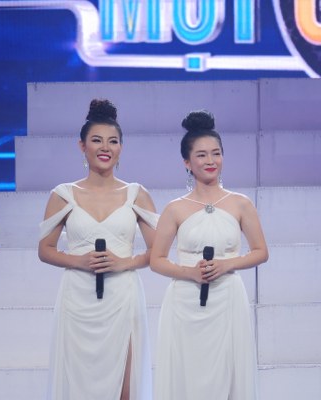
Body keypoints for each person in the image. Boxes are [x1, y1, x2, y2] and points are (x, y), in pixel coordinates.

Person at [38, 99, 158, 400]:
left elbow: (157, 253)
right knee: (77, 385)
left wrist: (124, 263)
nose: (105, 148)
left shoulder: (137, 194)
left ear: (121, 148)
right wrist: (79, 261)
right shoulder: (63, 194)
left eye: (113, 141)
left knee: (124, 386)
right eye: (97, 140)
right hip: (77, 299)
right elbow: (45, 249)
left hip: (122, 298)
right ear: (82, 146)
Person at [150, 110, 268, 400]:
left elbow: (261, 252)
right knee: (186, 376)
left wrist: (226, 265)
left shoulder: (241, 203)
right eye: (201, 155)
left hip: (227, 299)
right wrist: (189, 272)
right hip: (184, 303)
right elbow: (156, 260)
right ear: (187, 163)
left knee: (228, 374)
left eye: (216, 153)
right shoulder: (175, 208)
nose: (210, 161)